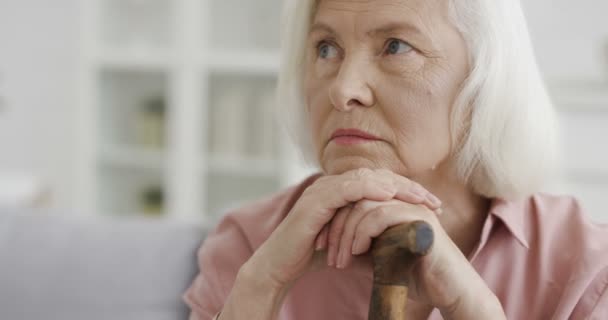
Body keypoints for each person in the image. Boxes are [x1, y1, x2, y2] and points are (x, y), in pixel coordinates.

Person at [184, 0, 608, 319]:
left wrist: (471, 306)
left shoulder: (587, 268)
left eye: (395, 46)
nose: (343, 89)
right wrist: (260, 290)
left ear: (484, 77)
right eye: (326, 48)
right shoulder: (248, 248)